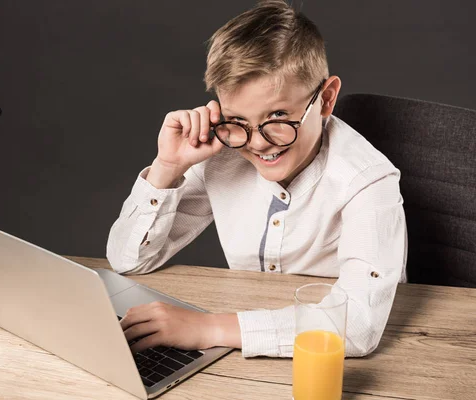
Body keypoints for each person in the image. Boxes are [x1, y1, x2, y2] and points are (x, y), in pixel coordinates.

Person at [106, 0, 407, 358]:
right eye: (237, 120)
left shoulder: (368, 181)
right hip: (244, 349)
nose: (258, 142)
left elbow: (357, 325)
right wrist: (167, 168)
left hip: (332, 361)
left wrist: (207, 328)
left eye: (278, 115)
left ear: (326, 100)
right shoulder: (225, 152)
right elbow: (130, 260)